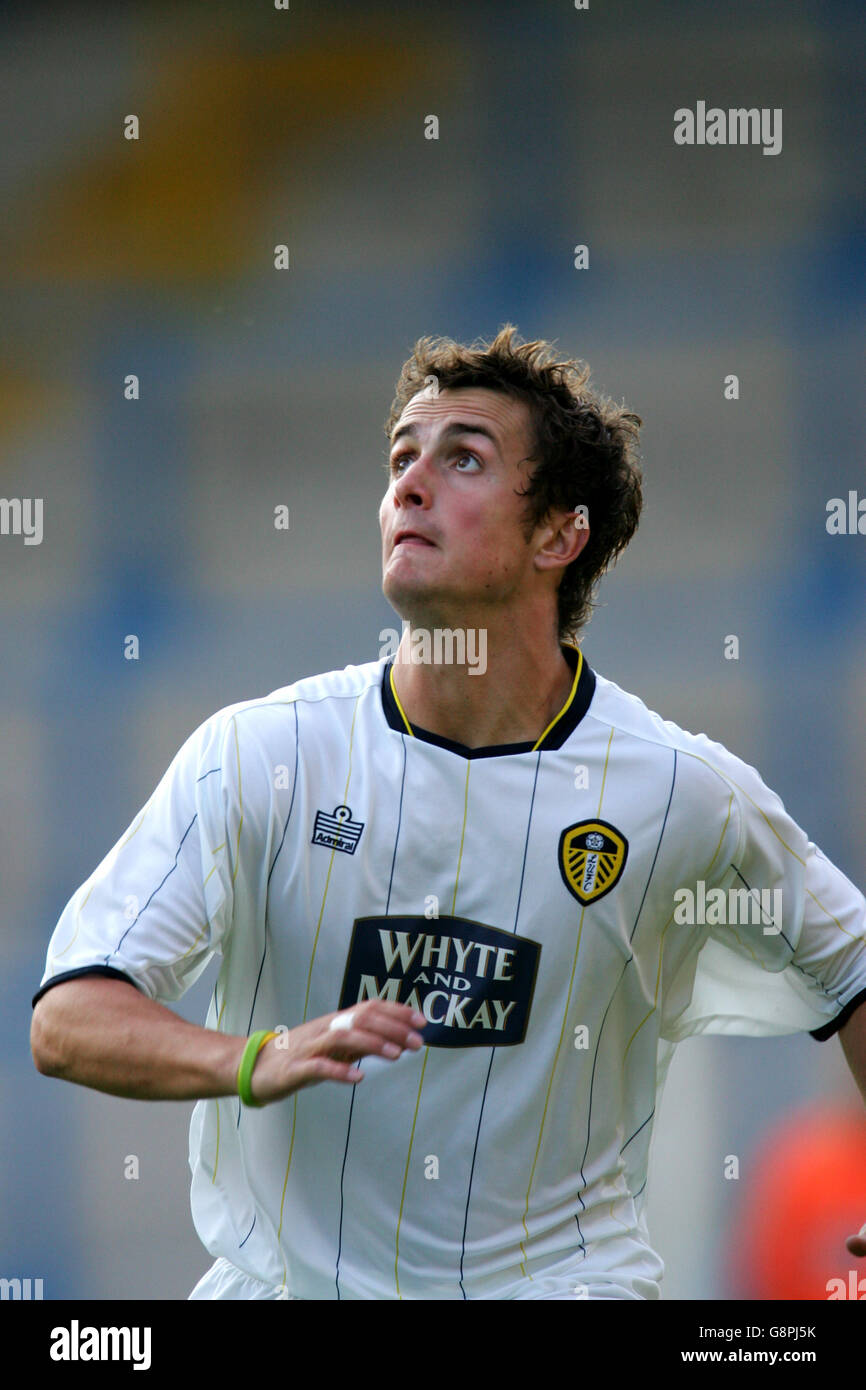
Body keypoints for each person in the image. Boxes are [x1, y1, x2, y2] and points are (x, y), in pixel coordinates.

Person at [31, 326, 866, 1300]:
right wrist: (257, 1056)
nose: (408, 487)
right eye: (400, 460)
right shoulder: (261, 756)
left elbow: (848, 966)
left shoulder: (680, 791)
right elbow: (70, 1017)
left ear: (560, 532)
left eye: (460, 458)